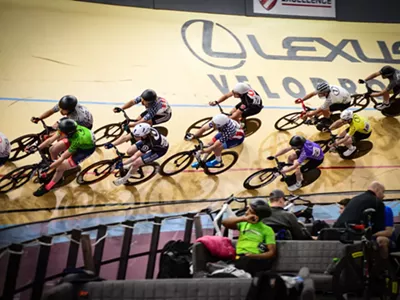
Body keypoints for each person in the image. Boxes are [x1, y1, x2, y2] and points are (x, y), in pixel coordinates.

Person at [29, 118, 96, 197]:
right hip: (75, 139)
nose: (59, 133)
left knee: (60, 167)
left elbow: (62, 158)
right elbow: (50, 140)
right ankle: (54, 169)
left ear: (68, 133)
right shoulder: (67, 128)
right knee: (52, 149)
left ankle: (48, 187)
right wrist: (37, 148)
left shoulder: (78, 140)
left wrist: (49, 167)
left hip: (84, 150)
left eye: (61, 132)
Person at [222, 199, 276, 276]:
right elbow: (224, 222)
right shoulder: (243, 223)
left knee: (246, 263)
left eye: (250, 211)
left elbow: (271, 253)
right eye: (247, 209)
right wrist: (243, 218)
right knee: (239, 262)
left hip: (256, 259)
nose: (246, 212)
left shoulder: (267, 230)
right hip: (240, 258)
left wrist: (254, 256)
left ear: (256, 215)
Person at [104, 123, 169, 186]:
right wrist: (112, 144)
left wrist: (122, 164)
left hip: (159, 150)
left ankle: (124, 179)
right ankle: (133, 165)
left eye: (137, 136)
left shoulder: (149, 143)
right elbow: (126, 137)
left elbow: (135, 156)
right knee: (130, 151)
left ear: (144, 135)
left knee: (136, 162)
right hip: (148, 141)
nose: (135, 137)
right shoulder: (143, 130)